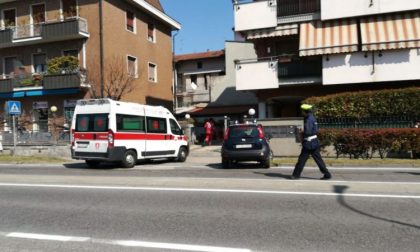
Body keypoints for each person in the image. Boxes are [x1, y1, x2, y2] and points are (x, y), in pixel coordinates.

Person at [291, 104, 332, 180]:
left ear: (304, 111)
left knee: (301, 160)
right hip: (314, 142)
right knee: (318, 160)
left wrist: (302, 131)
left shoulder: (308, 119)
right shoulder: (312, 117)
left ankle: (296, 175)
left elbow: (308, 132)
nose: (301, 112)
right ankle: (327, 174)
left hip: (309, 143)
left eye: (302, 111)